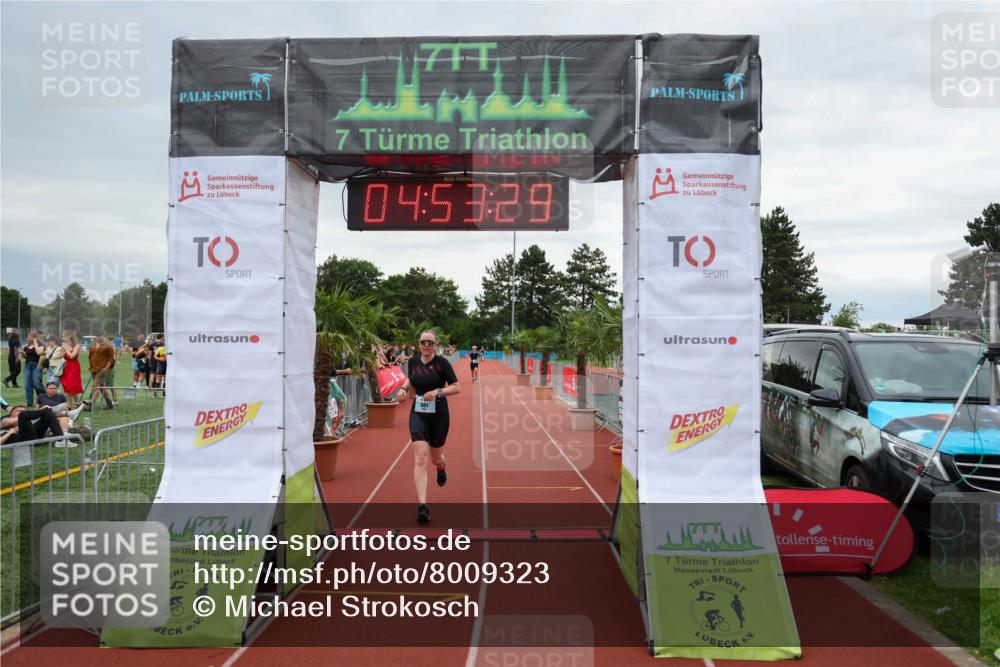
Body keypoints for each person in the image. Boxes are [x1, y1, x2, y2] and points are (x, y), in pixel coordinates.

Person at [393, 330, 460, 524]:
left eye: (430, 342)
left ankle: (441, 468)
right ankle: (422, 506)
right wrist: (404, 389)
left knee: (435, 458)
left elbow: (456, 387)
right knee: (420, 457)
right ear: (419, 344)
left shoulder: (442, 363)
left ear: (435, 344)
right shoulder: (413, 362)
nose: (427, 345)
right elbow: (411, 380)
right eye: (423, 342)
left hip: (439, 415)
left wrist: (438, 391)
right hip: (418, 413)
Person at [88, 334, 116, 409]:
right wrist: (90, 367)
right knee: (101, 387)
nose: (98, 337)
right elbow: (90, 356)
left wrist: (105, 368)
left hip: (102, 369)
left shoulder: (108, 345)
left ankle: (91, 404)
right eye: (97, 336)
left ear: (103, 336)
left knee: (96, 385)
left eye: (99, 335)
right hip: (94, 369)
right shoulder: (92, 345)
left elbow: (111, 359)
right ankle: (109, 403)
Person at [60, 331, 84, 408]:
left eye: (64, 336)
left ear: (69, 336)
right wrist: (63, 350)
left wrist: (66, 348)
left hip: (73, 367)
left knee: (71, 386)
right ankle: (69, 405)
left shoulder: (76, 345)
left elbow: (72, 356)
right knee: (66, 386)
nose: (63, 338)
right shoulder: (63, 345)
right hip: (65, 367)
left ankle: (78, 403)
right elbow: (61, 355)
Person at [21, 332, 45, 405]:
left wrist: (35, 343)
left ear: (35, 338)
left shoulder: (41, 345)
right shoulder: (26, 346)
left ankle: (44, 396)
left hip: (37, 365)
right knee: (27, 385)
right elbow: (25, 357)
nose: (28, 338)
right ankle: (29, 403)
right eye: (28, 337)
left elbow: (38, 353)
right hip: (27, 366)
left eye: (30, 337)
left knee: (37, 384)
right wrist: (22, 353)